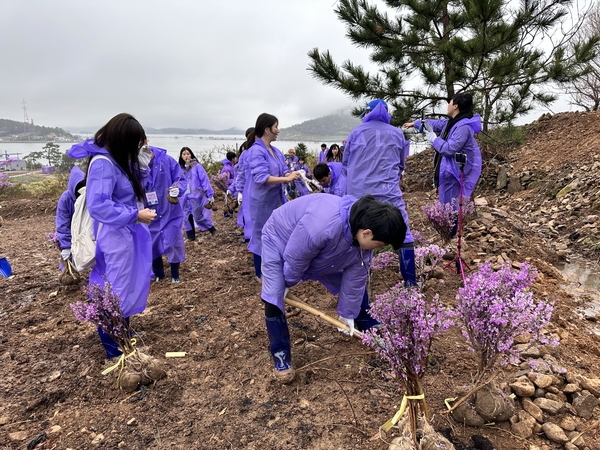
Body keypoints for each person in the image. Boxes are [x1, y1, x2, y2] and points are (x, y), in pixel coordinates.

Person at [261, 194, 407, 382]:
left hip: (325, 250)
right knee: (273, 296)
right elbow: (296, 258)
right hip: (280, 239)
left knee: (358, 276)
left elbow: (356, 276)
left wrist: (347, 312)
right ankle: (281, 356)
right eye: (381, 244)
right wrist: (286, 283)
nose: (378, 249)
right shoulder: (321, 225)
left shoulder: (361, 238)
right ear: (367, 233)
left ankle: (366, 322)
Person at [67, 113, 156, 359]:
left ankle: (122, 337)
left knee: (124, 286)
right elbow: (99, 205)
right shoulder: (103, 164)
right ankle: (114, 350)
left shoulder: (117, 160)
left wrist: (144, 161)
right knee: (114, 290)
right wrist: (135, 215)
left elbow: (131, 188)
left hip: (127, 233)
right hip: (116, 235)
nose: (137, 147)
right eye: (135, 142)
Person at [343, 99, 417, 287]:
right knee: (404, 235)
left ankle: (356, 285)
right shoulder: (397, 133)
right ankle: (410, 284)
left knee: (354, 233)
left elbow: (346, 165)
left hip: (358, 195)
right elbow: (401, 165)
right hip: (388, 193)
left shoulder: (356, 132)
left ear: (368, 113)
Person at [246, 113, 301, 280]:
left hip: (275, 200)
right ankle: (260, 273)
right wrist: (286, 179)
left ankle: (274, 268)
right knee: (261, 235)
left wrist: (290, 173)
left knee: (277, 232)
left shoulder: (274, 150)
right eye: (276, 126)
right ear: (267, 129)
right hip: (261, 202)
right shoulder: (256, 151)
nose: (278, 130)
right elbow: (261, 177)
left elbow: (282, 168)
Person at [403, 92, 482, 207]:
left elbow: (449, 149)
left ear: (455, 106)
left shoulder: (463, 127)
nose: (448, 105)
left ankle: (451, 225)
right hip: (448, 173)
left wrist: (434, 139)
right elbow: (437, 124)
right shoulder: (452, 123)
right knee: (447, 208)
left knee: (451, 210)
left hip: (454, 174)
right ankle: (446, 224)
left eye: (450, 102)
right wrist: (417, 123)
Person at [139, 144, 187, 283]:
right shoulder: (137, 165)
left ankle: (174, 273)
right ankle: (159, 273)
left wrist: (178, 189)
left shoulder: (167, 161)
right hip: (149, 211)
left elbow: (181, 179)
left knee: (173, 241)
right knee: (152, 242)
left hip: (170, 210)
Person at [178, 147, 216, 241]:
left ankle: (212, 229)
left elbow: (204, 180)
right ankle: (191, 236)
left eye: (188, 153)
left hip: (196, 196)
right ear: (181, 156)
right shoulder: (180, 168)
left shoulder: (197, 166)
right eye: (184, 154)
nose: (186, 156)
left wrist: (209, 194)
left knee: (198, 217)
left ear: (191, 155)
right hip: (184, 196)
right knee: (186, 216)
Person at [55, 165, 85, 266]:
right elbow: (63, 223)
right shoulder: (66, 199)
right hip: (72, 229)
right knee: (69, 259)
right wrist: (66, 246)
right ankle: (68, 270)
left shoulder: (89, 196)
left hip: (86, 230)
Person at [235, 127, 255, 243]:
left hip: (262, 190)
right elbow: (241, 173)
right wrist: (239, 190)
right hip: (248, 190)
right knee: (248, 214)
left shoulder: (266, 151)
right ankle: (250, 237)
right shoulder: (245, 154)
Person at [221, 151, 238, 219]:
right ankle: (226, 213)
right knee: (228, 201)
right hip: (228, 187)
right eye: (235, 158)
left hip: (231, 186)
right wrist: (235, 181)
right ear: (233, 159)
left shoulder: (229, 166)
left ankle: (230, 212)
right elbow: (226, 179)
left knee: (230, 200)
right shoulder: (228, 168)